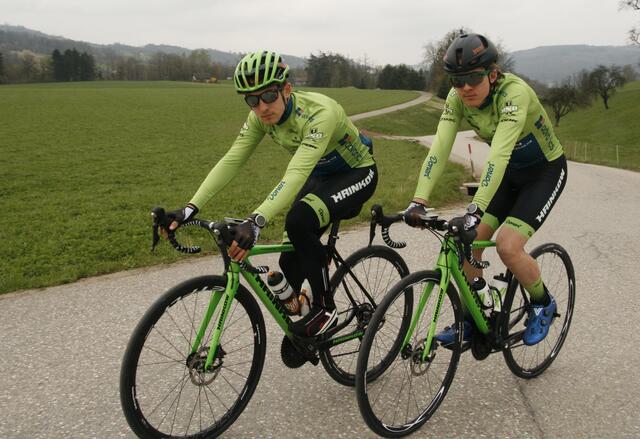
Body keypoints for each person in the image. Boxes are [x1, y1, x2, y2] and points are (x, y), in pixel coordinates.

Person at [166, 50, 378, 337]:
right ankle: (302, 306)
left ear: (286, 90)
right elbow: (232, 160)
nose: (262, 107)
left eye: (268, 96)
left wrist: (256, 220)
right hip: (321, 175)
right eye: (252, 100)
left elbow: (296, 173)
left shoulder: (319, 113)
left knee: (300, 221)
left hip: (357, 173)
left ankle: (326, 308)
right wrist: (191, 207)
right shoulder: (259, 119)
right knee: (289, 261)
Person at [404, 33, 567, 346]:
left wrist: (475, 209)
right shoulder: (457, 99)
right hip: (506, 175)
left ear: (492, 74)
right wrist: (418, 200)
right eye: (456, 80)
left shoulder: (514, 94)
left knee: (508, 246)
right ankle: (475, 316)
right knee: (469, 242)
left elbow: (498, 155)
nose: (465, 87)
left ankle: (542, 302)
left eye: (474, 78)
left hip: (543, 173)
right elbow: (439, 148)